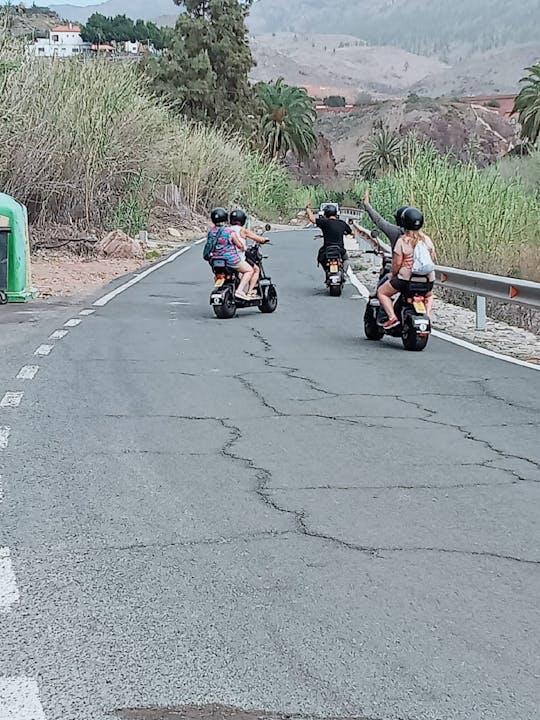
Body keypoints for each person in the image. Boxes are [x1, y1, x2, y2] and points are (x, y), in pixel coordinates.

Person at [376, 207, 437, 329]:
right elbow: (432, 258)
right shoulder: (427, 240)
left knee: (382, 292)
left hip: (406, 280)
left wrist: (393, 275)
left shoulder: (402, 241)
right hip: (427, 280)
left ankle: (392, 317)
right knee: (429, 295)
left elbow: (397, 264)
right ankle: (427, 316)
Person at [207, 208, 254, 301]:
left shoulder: (211, 232)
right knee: (249, 270)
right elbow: (240, 245)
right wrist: (245, 248)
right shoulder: (229, 232)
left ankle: (220, 286)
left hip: (214, 260)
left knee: (219, 273)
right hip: (230, 260)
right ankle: (240, 291)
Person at [229, 209, 269, 299]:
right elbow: (258, 239)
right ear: (243, 220)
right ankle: (249, 292)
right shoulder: (243, 230)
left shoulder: (227, 230)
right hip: (238, 257)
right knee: (255, 269)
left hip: (226, 257)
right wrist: (264, 240)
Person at [305, 202, 352, 268]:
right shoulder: (342, 223)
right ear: (336, 213)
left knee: (321, 258)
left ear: (325, 214)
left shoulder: (324, 222)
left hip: (327, 250)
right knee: (346, 259)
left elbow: (312, 219)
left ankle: (327, 270)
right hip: (340, 250)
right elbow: (350, 232)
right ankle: (344, 272)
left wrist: (308, 209)